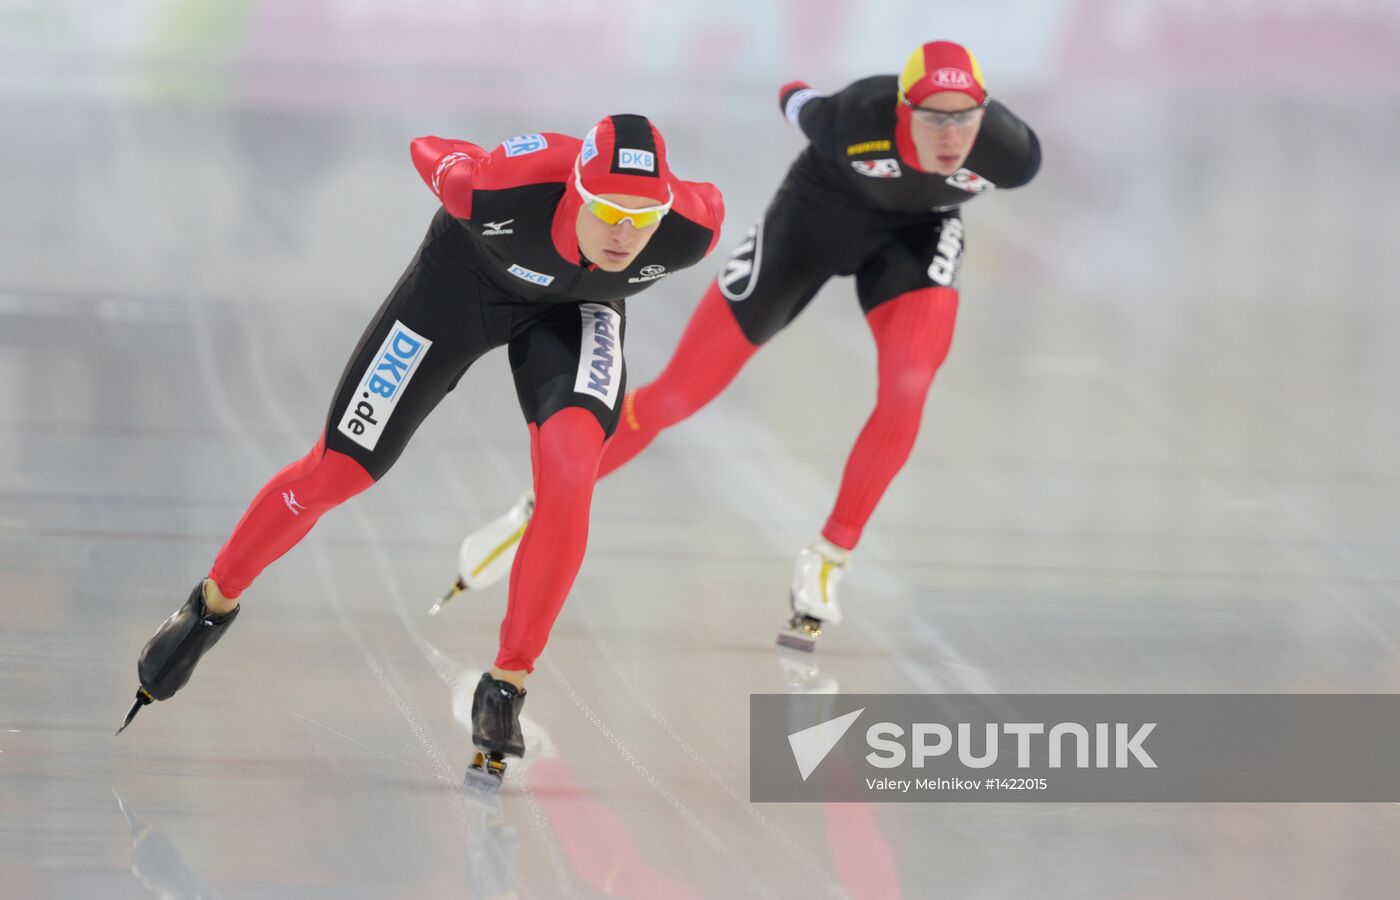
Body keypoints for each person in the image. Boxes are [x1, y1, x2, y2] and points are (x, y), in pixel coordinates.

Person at [118, 114, 725, 783]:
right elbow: (428, 148)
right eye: (608, 210)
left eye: (644, 216)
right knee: (340, 470)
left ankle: (506, 686)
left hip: (579, 312)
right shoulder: (498, 189)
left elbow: (692, 212)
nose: (625, 233)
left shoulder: (692, 226)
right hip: (459, 289)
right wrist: (464, 166)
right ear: (575, 191)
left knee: (571, 473)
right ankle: (209, 605)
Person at [444, 41, 1040, 651]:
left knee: (909, 385)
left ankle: (831, 555)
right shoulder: (854, 117)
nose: (950, 134)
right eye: (933, 117)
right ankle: (537, 510)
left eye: (964, 116)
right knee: (676, 397)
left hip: (917, 237)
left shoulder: (1011, 153)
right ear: (900, 108)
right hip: (811, 223)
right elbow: (794, 98)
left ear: (985, 112)